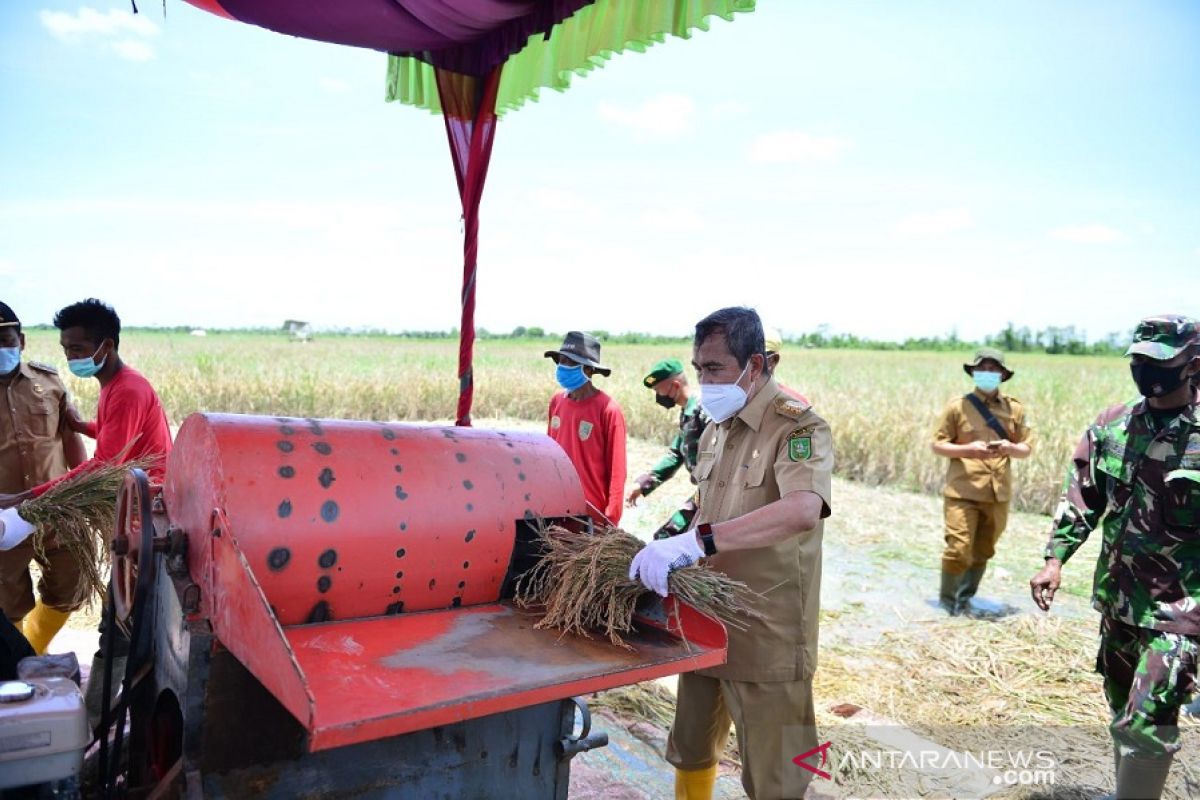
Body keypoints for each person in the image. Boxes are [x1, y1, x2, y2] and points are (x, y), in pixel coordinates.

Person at [628, 306, 833, 800]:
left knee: (775, 776)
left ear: (756, 365)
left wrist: (701, 541)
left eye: (715, 368)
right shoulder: (717, 427)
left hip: (767, 629)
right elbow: (707, 501)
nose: (703, 380)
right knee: (692, 747)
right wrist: (674, 543)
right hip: (706, 617)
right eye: (698, 369)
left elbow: (802, 509)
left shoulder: (798, 427)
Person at [1030, 314, 1200, 799]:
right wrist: (1055, 559)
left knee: (1149, 719)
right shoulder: (1113, 425)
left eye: (1159, 361)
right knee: (1123, 706)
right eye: (1139, 360)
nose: (1146, 369)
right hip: (1118, 599)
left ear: (1194, 365)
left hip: (1181, 610)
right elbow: (1084, 498)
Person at [0, 298, 173, 726]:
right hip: (123, 512)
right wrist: (84, 426)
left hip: (144, 516)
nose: (71, 358)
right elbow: (118, 433)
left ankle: (93, 720)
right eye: (65, 350)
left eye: (78, 349)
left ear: (105, 346)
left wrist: (27, 500)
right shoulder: (114, 387)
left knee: (117, 625)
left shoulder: (125, 387)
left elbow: (104, 465)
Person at [0, 301, 88, 654]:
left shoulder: (49, 382)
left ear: (20, 341)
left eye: (5, 339)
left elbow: (70, 439)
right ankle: (15, 669)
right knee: (6, 604)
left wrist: (80, 491)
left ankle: (33, 651)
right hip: (5, 519)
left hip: (56, 509)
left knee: (72, 588)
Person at [931, 347, 1032, 615]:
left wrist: (1009, 448)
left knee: (984, 550)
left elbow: (1026, 448)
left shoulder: (1015, 409)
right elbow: (937, 445)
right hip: (963, 490)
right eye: (982, 369)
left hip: (997, 493)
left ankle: (964, 600)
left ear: (1002, 374)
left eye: (993, 369)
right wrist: (969, 450)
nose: (987, 373)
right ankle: (946, 602)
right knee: (958, 549)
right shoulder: (958, 407)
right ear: (974, 373)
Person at [544, 331, 627, 526]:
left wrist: (610, 518)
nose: (563, 367)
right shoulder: (556, 403)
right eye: (561, 361)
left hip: (590, 514)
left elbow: (617, 470)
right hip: (557, 506)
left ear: (589, 370)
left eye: (570, 362)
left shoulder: (608, 410)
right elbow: (548, 454)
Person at [625, 358, 709, 539]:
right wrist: (643, 483)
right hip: (704, 493)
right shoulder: (687, 412)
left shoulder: (704, 410)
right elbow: (676, 454)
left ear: (675, 385)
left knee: (667, 537)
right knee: (665, 538)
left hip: (715, 495)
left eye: (658, 390)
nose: (657, 396)